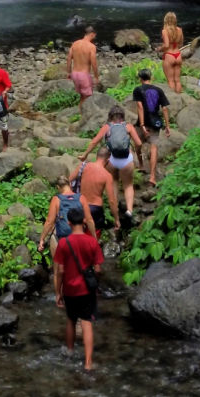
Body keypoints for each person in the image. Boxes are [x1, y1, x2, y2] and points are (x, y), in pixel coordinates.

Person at [53, 207, 104, 369]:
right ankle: (88, 363)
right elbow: (98, 269)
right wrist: (95, 282)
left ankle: (69, 351)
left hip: (69, 289)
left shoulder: (63, 243)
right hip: (86, 289)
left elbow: (60, 271)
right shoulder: (92, 242)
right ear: (83, 221)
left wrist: (58, 292)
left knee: (70, 320)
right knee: (86, 322)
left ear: (68, 223)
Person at [79, 105, 142, 224]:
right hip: (126, 160)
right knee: (128, 185)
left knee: (113, 182)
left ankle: (115, 209)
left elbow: (94, 142)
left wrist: (85, 155)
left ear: (110, 117)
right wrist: (138, 154)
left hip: (111, 159)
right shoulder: (128, 126)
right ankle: (129, 210)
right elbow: (138, 143)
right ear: (123, 116)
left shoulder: (106, 127)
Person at [38, 176, 95, 257]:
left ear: (58, 187)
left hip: (63, 239)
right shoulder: (81, 198)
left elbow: (49, 222)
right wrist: (94, 238)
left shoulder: (56, 199)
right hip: (79, 237)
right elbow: (89, 220)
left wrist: (42, 239)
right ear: (70, 184)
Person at [69, 145, 120, 237]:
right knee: (92, 238)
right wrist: (116, 219)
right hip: (95, 210)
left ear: (97, 156)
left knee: (78, 235)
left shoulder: (83, 166)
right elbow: (112, 201)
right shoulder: (107, 176)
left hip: (80, 205)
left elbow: (69, 180)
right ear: (108, 160)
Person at [133, 68, 171, 186]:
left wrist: (142, 125)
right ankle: (153, 177)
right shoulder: (159, 90)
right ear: (151, 78)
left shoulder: (138, 89)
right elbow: (164, 108)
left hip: (142, 123)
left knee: (137, 144)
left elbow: (140, 107)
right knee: (153, 148)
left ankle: (141, 165)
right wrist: (167, 126)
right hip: (156, 123)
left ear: (140, 79)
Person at [66, 26, 99, 111]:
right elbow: (94, 63)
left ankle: (80, 113)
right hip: (84, 75)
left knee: (82, 96)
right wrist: (96, 76)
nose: (95, 37)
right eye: (95, 35)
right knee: (88, 97)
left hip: (75, 73)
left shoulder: (75, 43)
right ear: (92, 34)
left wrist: (69, 72)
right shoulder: (91, 46)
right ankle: (84, 116)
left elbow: (69, 58)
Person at [160, 12, 184, 93]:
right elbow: (181, 43)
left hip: (169, 55)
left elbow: (166, 45)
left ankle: (174, 102)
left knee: (170, 80)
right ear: (175, 20)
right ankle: (179, 98)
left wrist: (160, 48)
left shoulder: (165, 31)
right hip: (178, 55)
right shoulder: (180, 30)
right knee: (177, 80)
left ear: (165, 20)